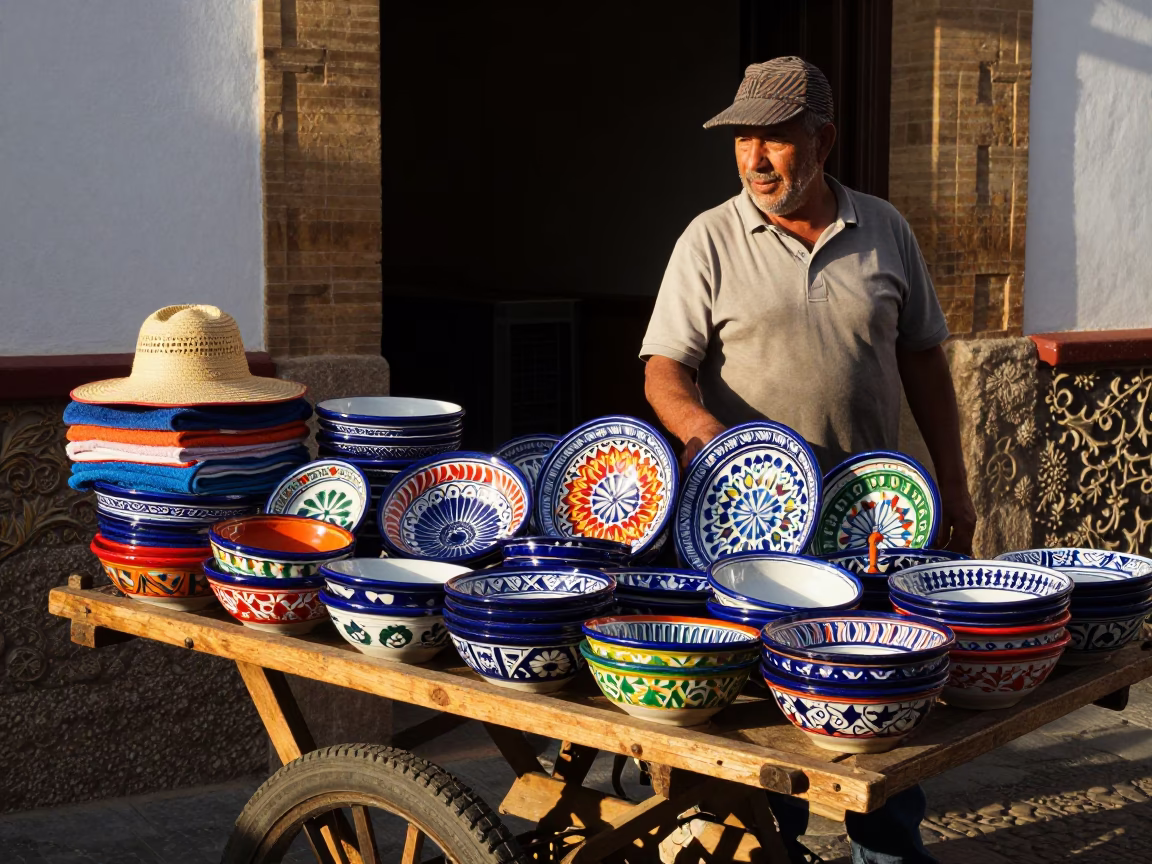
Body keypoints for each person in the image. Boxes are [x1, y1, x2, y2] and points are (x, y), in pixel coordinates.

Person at [640, 56, 976, 864]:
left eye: (776, 140)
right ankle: (768, 850)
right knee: (762, 731)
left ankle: (887, 849)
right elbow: (662, 371)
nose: (755, 159)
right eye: (743, 139)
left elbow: (926, 360)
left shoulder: (885, 229)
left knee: (882, 723)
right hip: (755, 543)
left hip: (872, 529)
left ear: (823, 141)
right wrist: (704, 434)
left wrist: (957, 491)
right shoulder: (709, 239)